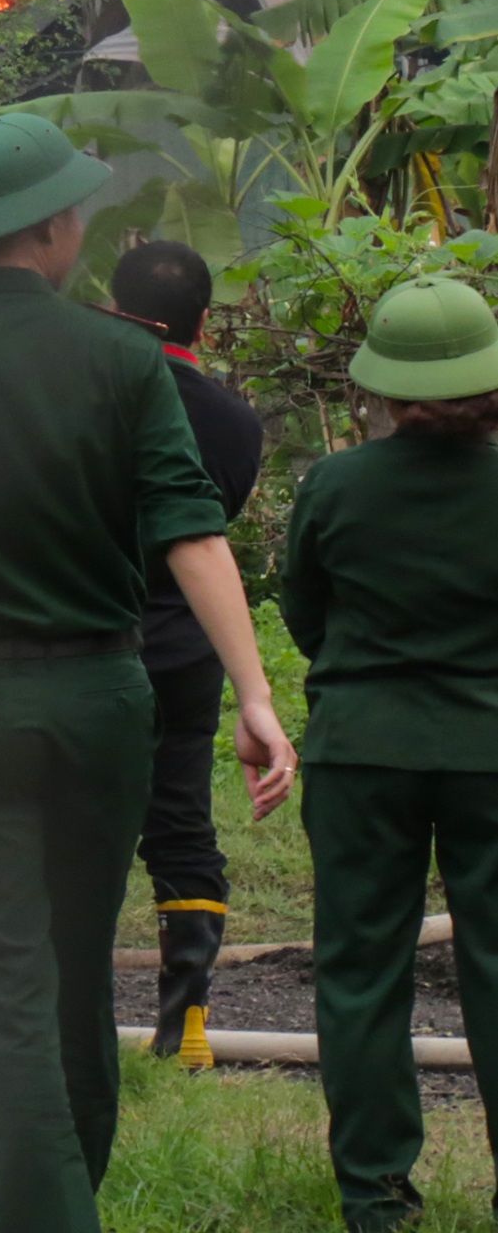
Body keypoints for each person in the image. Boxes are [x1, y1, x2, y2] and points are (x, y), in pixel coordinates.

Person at [0, 114, 293, 1233]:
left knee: (3, 989)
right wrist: (254, 693)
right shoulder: (122, 357)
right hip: (100, 702)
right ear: (50, 228)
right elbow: (193, 534)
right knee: (77, 974)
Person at [279, 275, 498, 1232]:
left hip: (361, 753)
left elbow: (302, 612)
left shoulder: (332, 485)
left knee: (362, 969)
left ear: (384, 386)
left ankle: (375, 1194)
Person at [106, 237, 265, 1067]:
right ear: (203, 322)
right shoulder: (234, 418)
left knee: (72, 816)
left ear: (114, 305)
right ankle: (187, 1030)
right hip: (187, 644)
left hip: (89, 636)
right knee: (179, 823)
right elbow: (216, 526)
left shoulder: (90, 395)